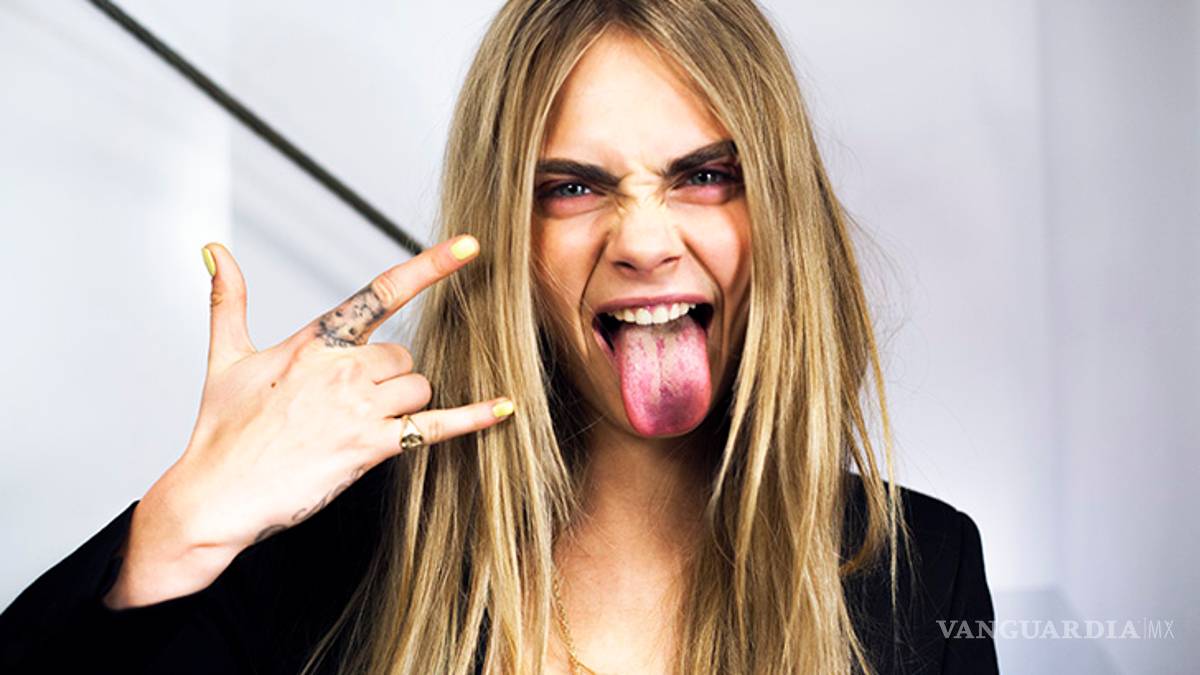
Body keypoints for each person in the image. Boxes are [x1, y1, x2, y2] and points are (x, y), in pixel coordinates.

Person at [0, 1, 998, 673]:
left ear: (779, 210)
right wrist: (178, 528)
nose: (644, 241)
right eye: (572, 188)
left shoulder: (923, 568)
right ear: (508, 236)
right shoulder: (336, 556)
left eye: (704, 176)